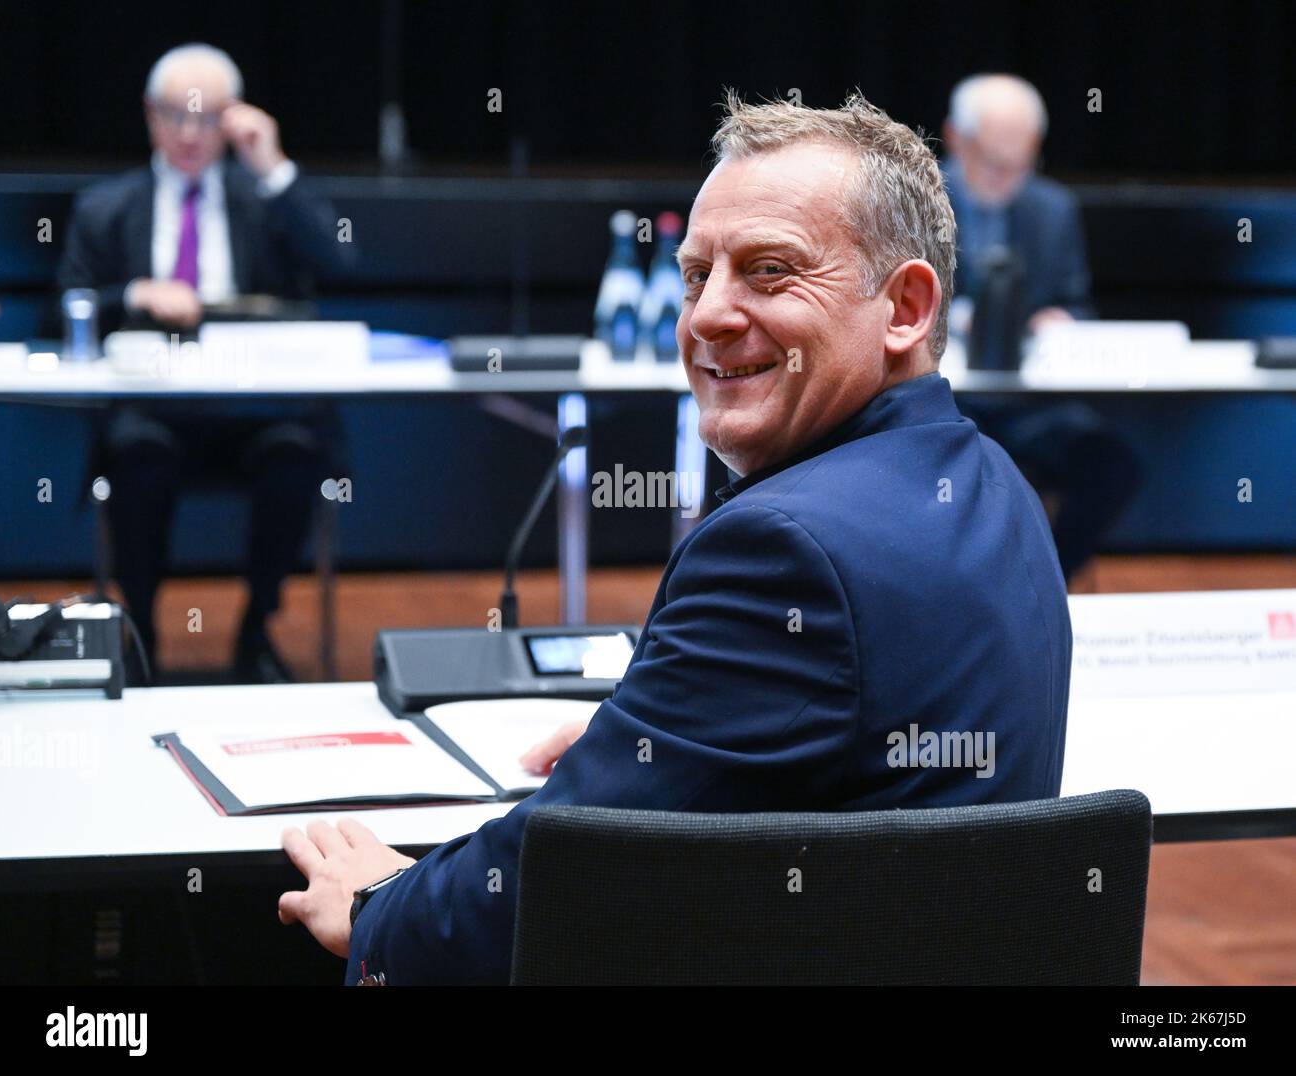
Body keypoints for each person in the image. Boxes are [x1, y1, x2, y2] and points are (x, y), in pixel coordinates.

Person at [278, 92, 1072, 985]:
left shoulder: (784, 550)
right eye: (697, 276)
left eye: (770, 272)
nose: (707, 319)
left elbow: (566, 877)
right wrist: (665, 737)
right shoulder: (998, 484)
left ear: (904, 307)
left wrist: (379, 907)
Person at [58, 43, 352, 681]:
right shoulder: (105, 208)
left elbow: (339, 262)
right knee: (134, 455)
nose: (190, 132)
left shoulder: (264, 201)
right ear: (149, 115)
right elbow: (68, 308)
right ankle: (139, 635)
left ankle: (256, 629)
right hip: (155, 410)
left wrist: (272, 166)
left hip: (254, 409)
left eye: (207, 116)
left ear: (234, 117)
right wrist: (135, 293)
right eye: (175, 114)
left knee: (297, 451)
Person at [942, 73, 1140, 580]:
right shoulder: (914, 202)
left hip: (1033, 405)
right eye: (995, 162)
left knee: (1112, 465)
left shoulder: (1052, 209)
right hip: (945, 404)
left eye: (1023, 161)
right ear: (955, 139)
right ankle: (967, 591)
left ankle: (1039, 578)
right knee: (948, 475)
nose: (1009, 177)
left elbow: (1077, 302)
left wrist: (1063, 321)